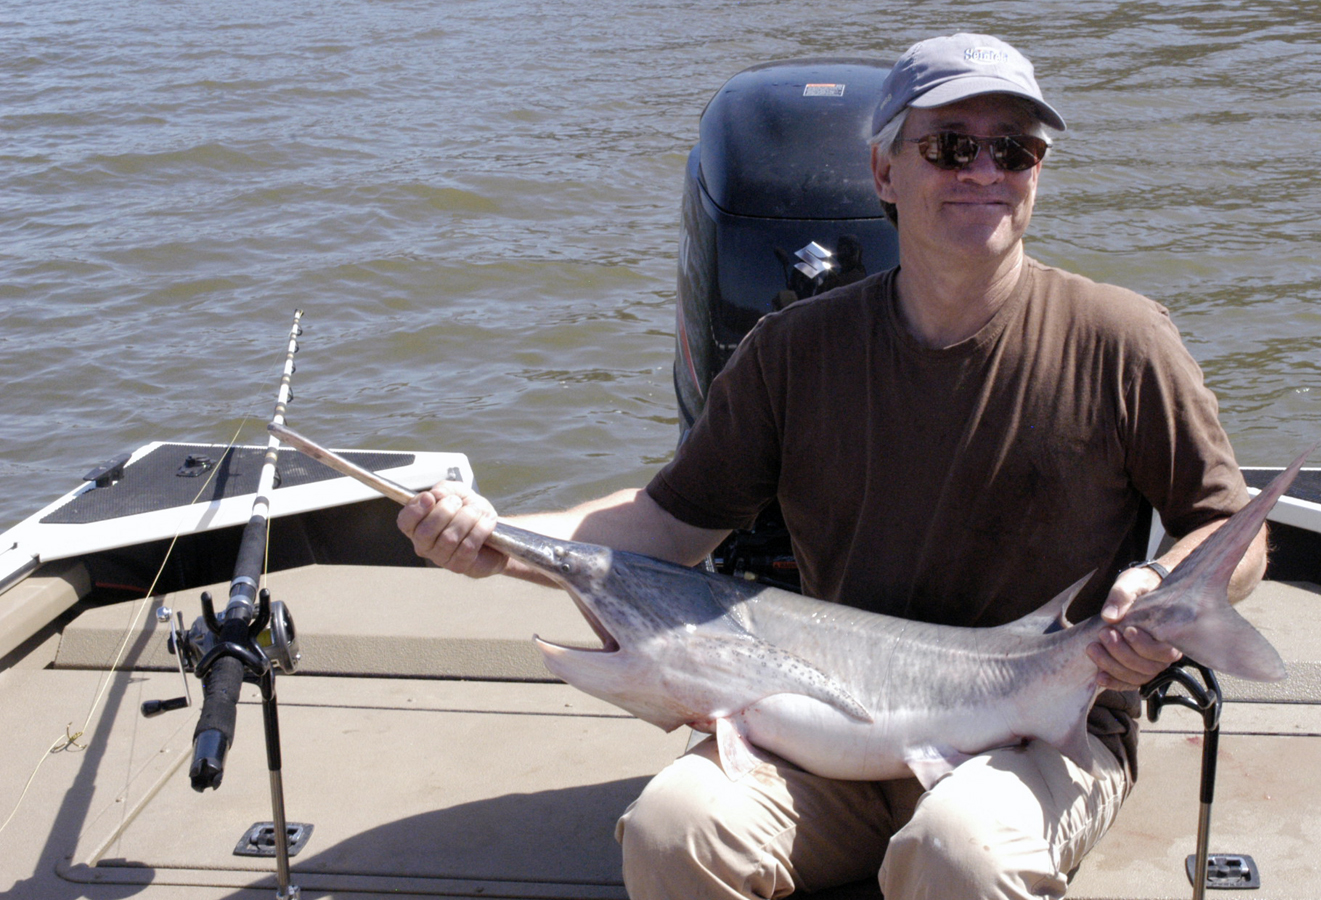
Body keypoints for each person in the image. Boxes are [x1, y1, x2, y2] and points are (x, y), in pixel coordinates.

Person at [398, 32, 1267, 900]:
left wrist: (1160, 583)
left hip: (1042, 731)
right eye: (952, 146)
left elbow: (1231, 532)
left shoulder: (1123, 340)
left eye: (1015, 149)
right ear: (884, 173)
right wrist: (495, 537)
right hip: (820, 728)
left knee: (957, 854)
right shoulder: (795, 351)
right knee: (673, 835)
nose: (985, 170)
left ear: (1038, 170)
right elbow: (665, 525)